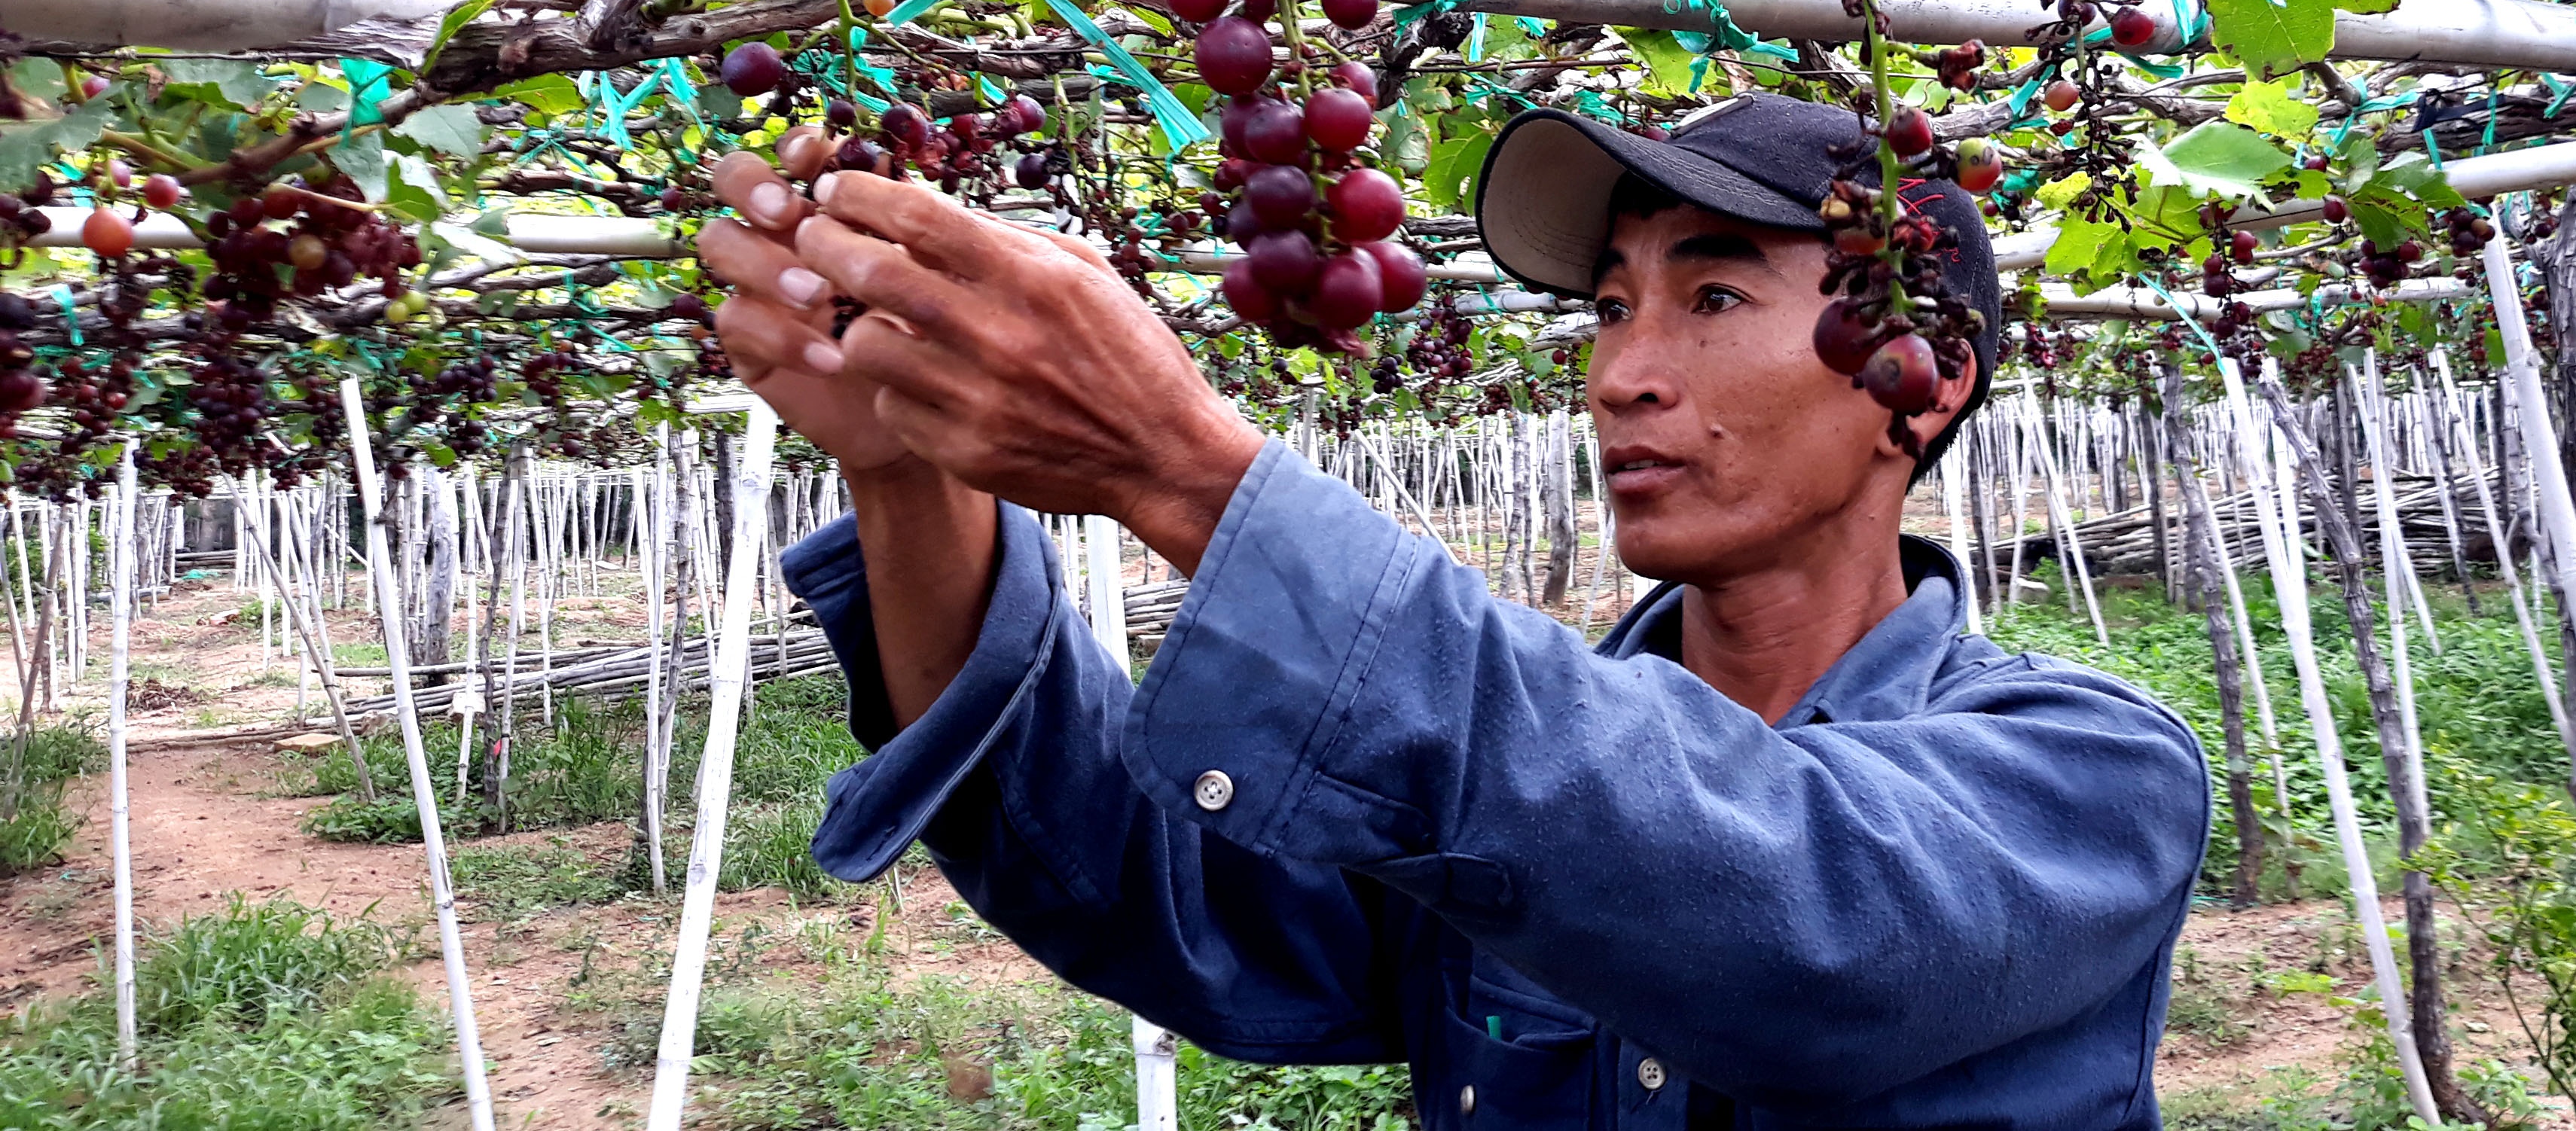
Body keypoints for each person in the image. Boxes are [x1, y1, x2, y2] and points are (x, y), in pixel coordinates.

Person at [700, 92, 2209, 1131]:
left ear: (1921, 380)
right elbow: (1152, 888)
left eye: (1716, 297)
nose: (1622, 373)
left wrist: (1188, 472)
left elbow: (1802, 928)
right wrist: (906, 473)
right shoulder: (1490, 792)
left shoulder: (2091, 775)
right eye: (1612, 307)